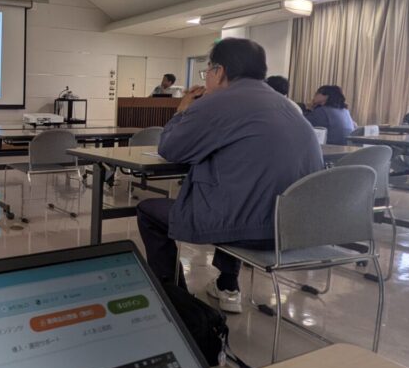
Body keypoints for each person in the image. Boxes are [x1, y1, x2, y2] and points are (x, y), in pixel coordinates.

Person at [136, 39, 323, 313]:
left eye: (207, 71)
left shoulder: (216, 103)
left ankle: (177, 302)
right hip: (295, 227)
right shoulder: (289, 106)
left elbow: (170, 148)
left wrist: (182, 111)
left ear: (219, 71)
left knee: (149, 211)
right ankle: (227, 284)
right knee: (240, 195)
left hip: (250, 228)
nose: (206, 78)